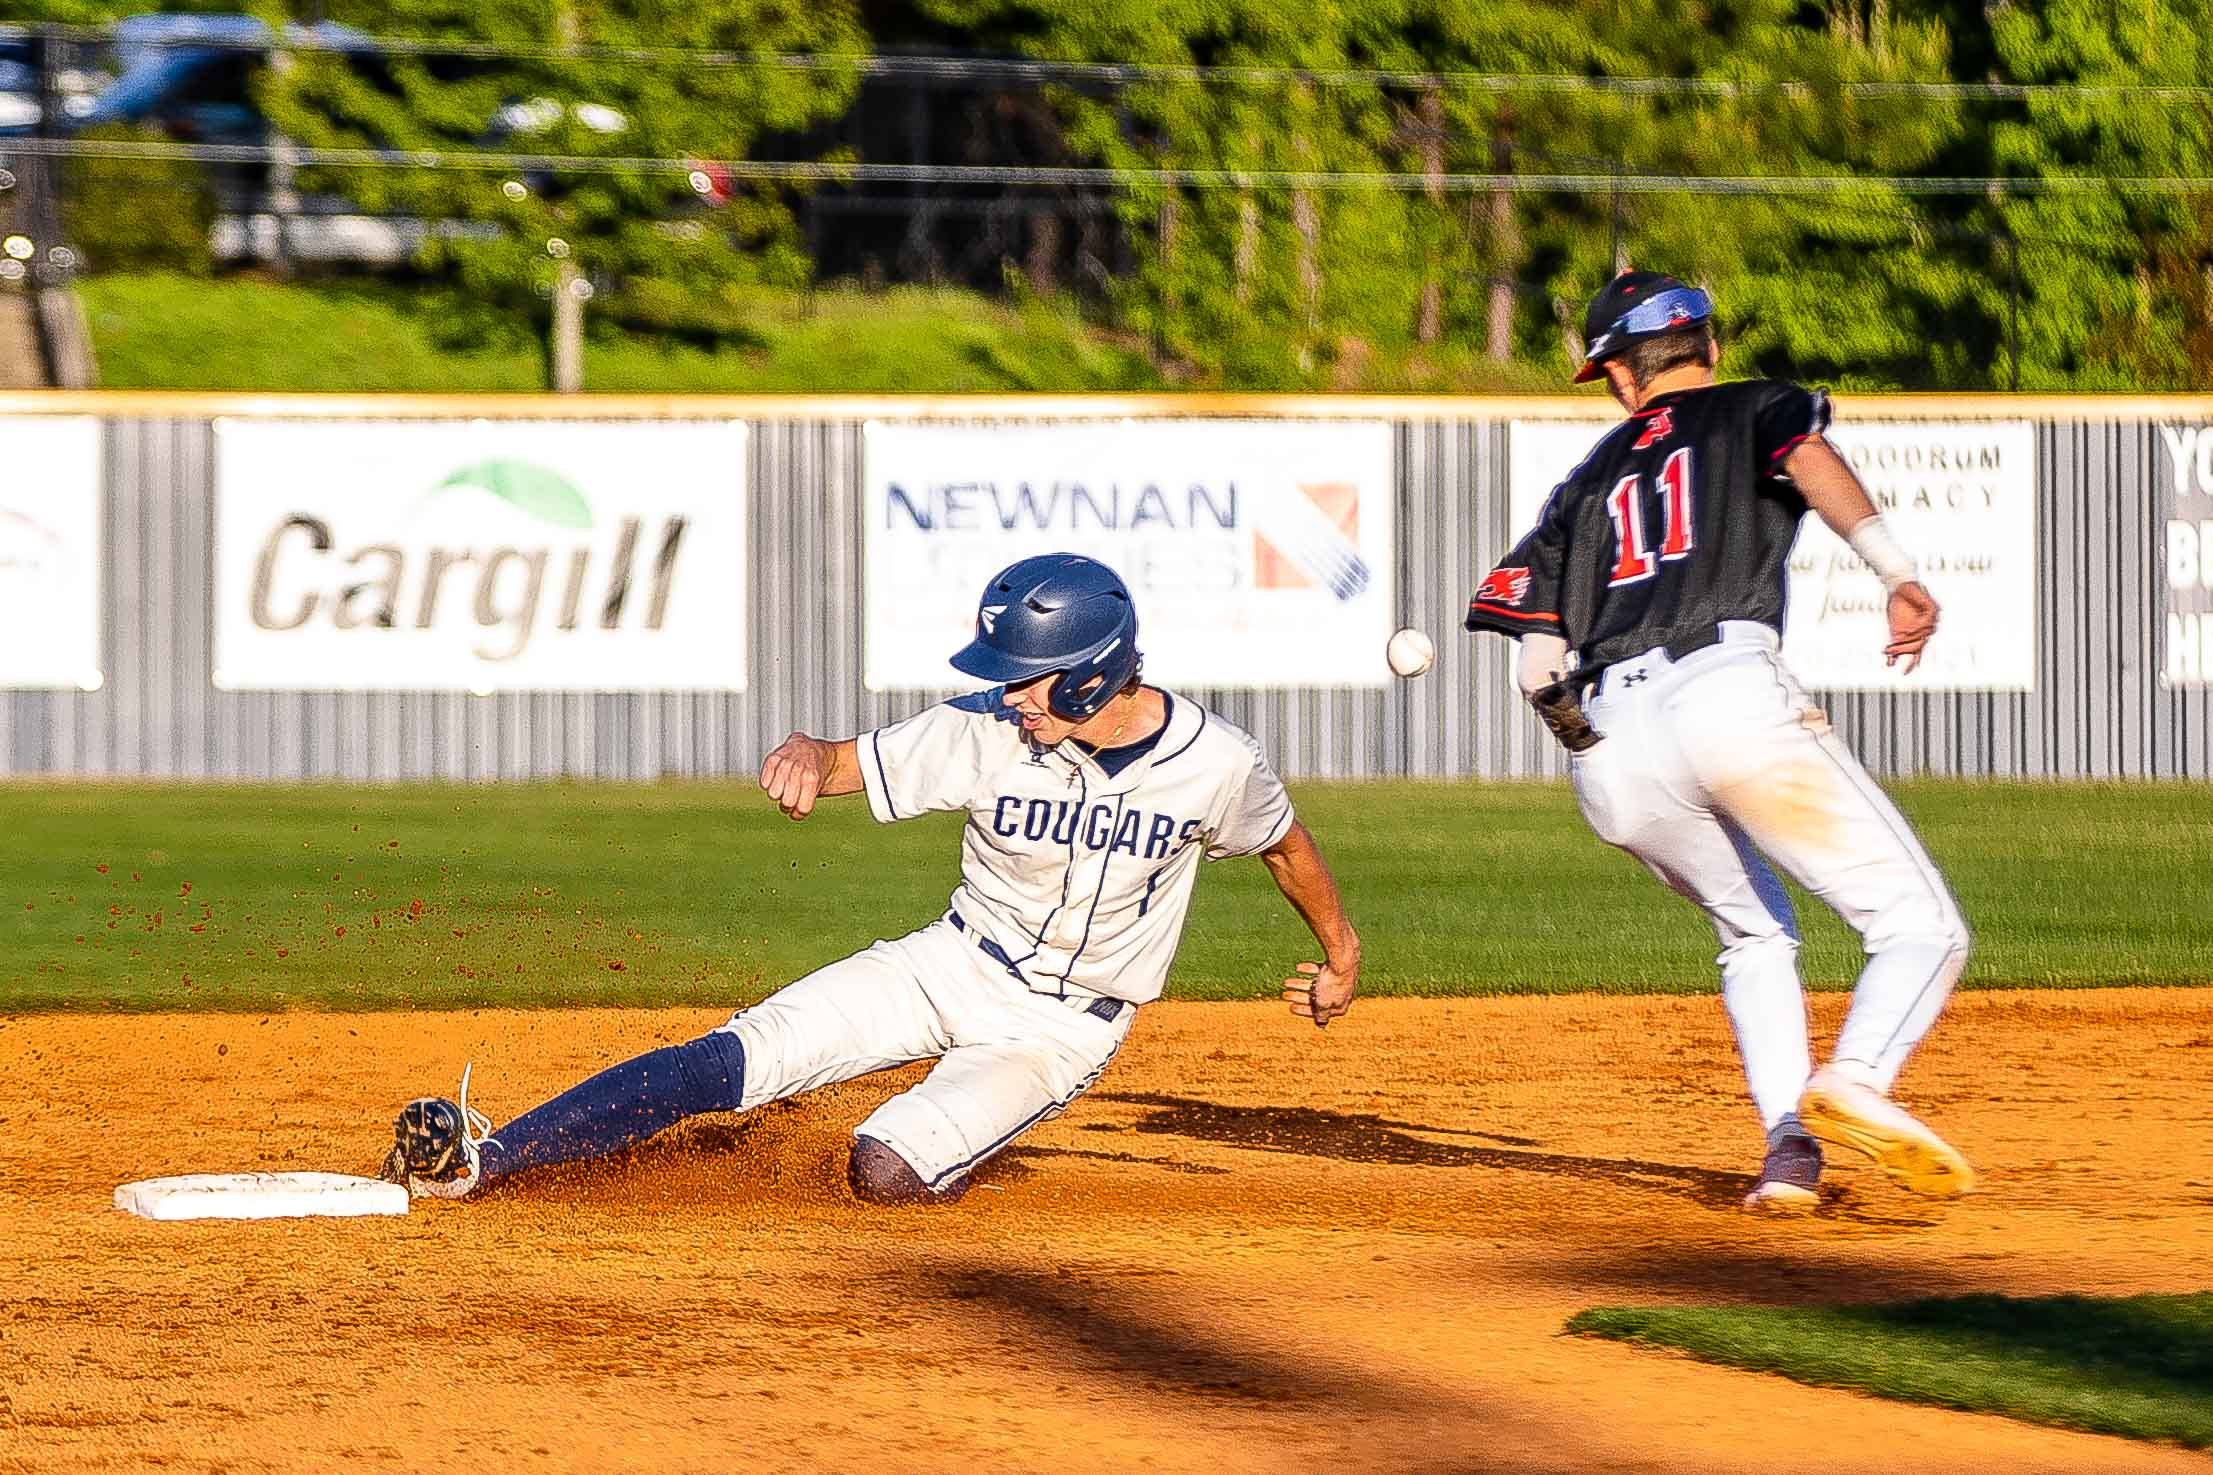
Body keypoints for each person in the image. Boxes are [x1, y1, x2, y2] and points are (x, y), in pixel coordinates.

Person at [379, 552, 1362, 1205]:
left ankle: (960, 1132)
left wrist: (1339, 952)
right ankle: (489, 1155)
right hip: (947, 961)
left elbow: (1282, 843)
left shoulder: (1216, 761)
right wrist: (809, 752)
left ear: (1090, 676)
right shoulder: (982, 725)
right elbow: (847, 757)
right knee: (735, 1055)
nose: (1011, 694)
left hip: (1064, 1026)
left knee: (882, 1169)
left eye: (1029, 677)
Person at [1464, 271, 1973, 1213]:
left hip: (1609, 743)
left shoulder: (1583, 482)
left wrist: (1582, 732)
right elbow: (1808, 460)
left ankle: (1787, 1154)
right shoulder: (1754, 406)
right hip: (1725, 692)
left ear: (1617, 375)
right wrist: (1896, 571)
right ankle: (1854, 1077)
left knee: (1751, 932)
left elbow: (1533, 667)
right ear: (1708, 344)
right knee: (1920, 926)